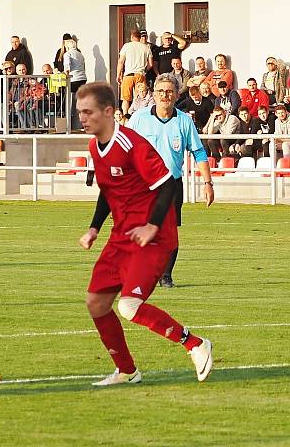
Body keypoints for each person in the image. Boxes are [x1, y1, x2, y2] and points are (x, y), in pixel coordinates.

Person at [76, 81, 213, 387]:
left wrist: (152, 225)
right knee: (96, 303)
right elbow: (107, 190)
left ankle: (195, 343)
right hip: (122, 235)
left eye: (88, 112)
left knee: (128, 306)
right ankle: (126, 371)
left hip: (153, 235)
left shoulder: (131, 143)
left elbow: (167, 185)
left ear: (109, 111)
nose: (82, 118)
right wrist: (94, 228)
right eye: (79, 112)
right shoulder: (94, 145)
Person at [128, 73, 214, 288]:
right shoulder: (139, 118)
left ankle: (166, 275)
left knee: (169, 233)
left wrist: (208, 183)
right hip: (143, 186)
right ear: (154, 94)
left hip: (171, 184)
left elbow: (198, 152)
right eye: (160, 91)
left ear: (176, 95)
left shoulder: (184, 121)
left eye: (169, 91)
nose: (164, 95)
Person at [116, 30, 153, 115]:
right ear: (140, 37)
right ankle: (138, 116)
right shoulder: (146, 47)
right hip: (140, 74)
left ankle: (126, 116)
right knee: (140, 97)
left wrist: (118, 75)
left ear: (132, 37)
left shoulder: (126, 46)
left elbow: (121, 61)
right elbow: (150, 64)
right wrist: (144, 70)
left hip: (128, 75)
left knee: (125, 99)